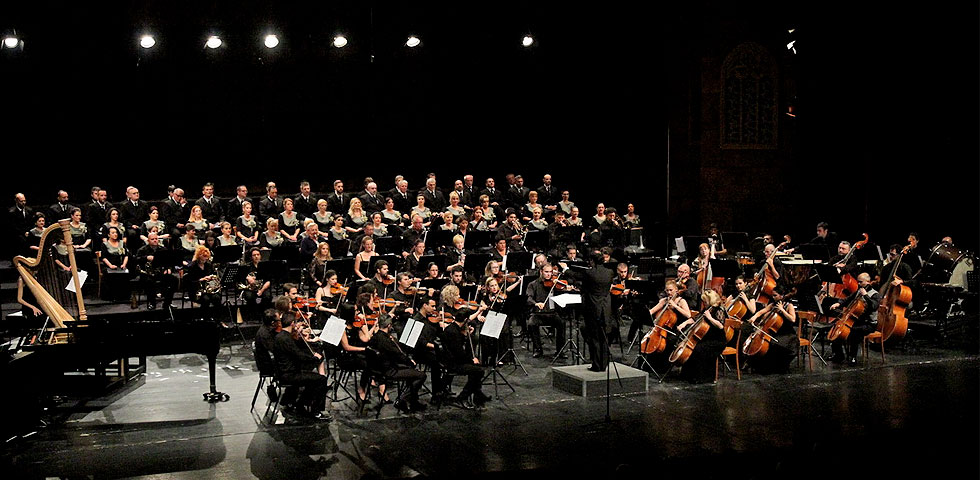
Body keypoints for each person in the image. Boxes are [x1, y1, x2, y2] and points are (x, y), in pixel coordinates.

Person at [439, 284, 492, 408]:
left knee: (477, 368)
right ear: (466, 320)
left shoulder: (454, 329)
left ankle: (478, 395)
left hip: (452, 360)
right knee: (479, 370)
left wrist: (464, 335)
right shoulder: (453, 333)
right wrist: (471, 360)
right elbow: (459, 354)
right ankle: (462, 397)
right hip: (453, 363)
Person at [272, 311, 331, 420]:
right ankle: (316, 411)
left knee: (313, 379)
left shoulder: (281, 336)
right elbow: (299, 355)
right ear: (292, 323)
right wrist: (314, 358)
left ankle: (301, 403)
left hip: (284, 372)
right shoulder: (286, 339)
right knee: (321, 379)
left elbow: (297, 351)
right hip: (289, 375)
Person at [563, 252, 615, 372]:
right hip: (606, 307)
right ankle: (604, 364)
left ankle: (596, 365)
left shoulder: (589, 273)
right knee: (604, 337)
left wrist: (565, 269)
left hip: (593, 308)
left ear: (592, 261)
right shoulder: (610, 272)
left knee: (594, 337)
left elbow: (576, 275)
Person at [368, 316, 428, 413]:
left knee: (411, 371)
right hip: (389, 371)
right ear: (389, 325)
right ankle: (402, 400)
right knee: (421, 375)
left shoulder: (375, 337)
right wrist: (410, 361)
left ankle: (413, 402)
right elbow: (398, 355)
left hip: (378, 370)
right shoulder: (386, 341)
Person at [674, 290, 729, 383]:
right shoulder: (707, 309)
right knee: (693, 348)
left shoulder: (719, 310)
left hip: (717, 340)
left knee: (699, 349)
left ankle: (702, 377)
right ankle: (688, 375)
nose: (704, 303)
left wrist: (710, 318)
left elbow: (720, 326)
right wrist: (684, 324)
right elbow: (695, 318)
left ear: (710, 300)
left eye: (705, 301)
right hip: (706, 338)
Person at [828, 272, 880, 366]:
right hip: (857, 321)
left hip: (869, 323)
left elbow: (874, 306)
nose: (858, 284)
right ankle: (838, 355)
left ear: (868, 282)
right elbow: (848, 299)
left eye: (861, 282)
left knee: (854, 332)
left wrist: (865, 296)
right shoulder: (859, 291)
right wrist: (839, 303)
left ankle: (853, 357)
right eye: (858, 282)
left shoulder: (875, 294)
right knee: (838, 329)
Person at [524, 263, 567, 358]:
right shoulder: (533, 284)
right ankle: (538, 349)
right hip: (538, 314)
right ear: (541, 272)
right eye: (546, 272)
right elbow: (529, 298)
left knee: (562, 323)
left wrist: (566, 288)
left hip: (552, 313)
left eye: (550, 272)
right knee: (531, 323)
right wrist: (536, 303)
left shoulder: (555, 283)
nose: (549, 274)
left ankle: (560, 350)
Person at [135, 232, 176, 310]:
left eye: (156, 239)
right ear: (148, 240)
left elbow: (169, 261)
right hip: (147, 273)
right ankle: (152, 303)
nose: (155, 240)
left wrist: (169, 268)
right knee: (149, 281)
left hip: (160, 272)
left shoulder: (163, 249)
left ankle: (167, 303)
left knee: (174, 280)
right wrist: (146, 258)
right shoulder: (142, 250)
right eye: (152, 239)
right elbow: (136, 260)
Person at [239, 247, 272, 320]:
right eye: (254, 255)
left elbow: (268, 281)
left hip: (262, 288)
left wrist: (261, 291)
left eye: (258, 254)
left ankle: (264, 314)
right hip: (251, 288)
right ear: (251, 257)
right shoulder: (247, 266)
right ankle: (253, 315)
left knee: (268, 296)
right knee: (249, 296)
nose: (256, 256)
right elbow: (241, 276)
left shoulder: (265, 266)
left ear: (260, 256)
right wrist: (248, 278)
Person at [184, 245, 221, 310]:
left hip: (207, 289)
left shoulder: (208, 265)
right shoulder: (192, 266)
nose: (205, 259)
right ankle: (204, 315)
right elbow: (189, 282)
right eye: (203, 257)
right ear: (199, 256)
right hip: (196, 290)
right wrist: (201, 279)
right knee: (206, 299)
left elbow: (213, 275)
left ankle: (216, 315)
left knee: (217, 297)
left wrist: (211, 278)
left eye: (206, 257)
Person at [99, 226, 131, 302]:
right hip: (109, 265)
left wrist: (124, 264)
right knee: (111, 275)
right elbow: (104, 257)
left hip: (121, 265)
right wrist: (110, 265)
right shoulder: (105, 244)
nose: (115, 234)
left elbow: (126, 255)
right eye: (113, 233)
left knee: (125, 273)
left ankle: (123, 296)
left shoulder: (122, 243)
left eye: (116, 232)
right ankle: (112, 297)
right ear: (108, 235)